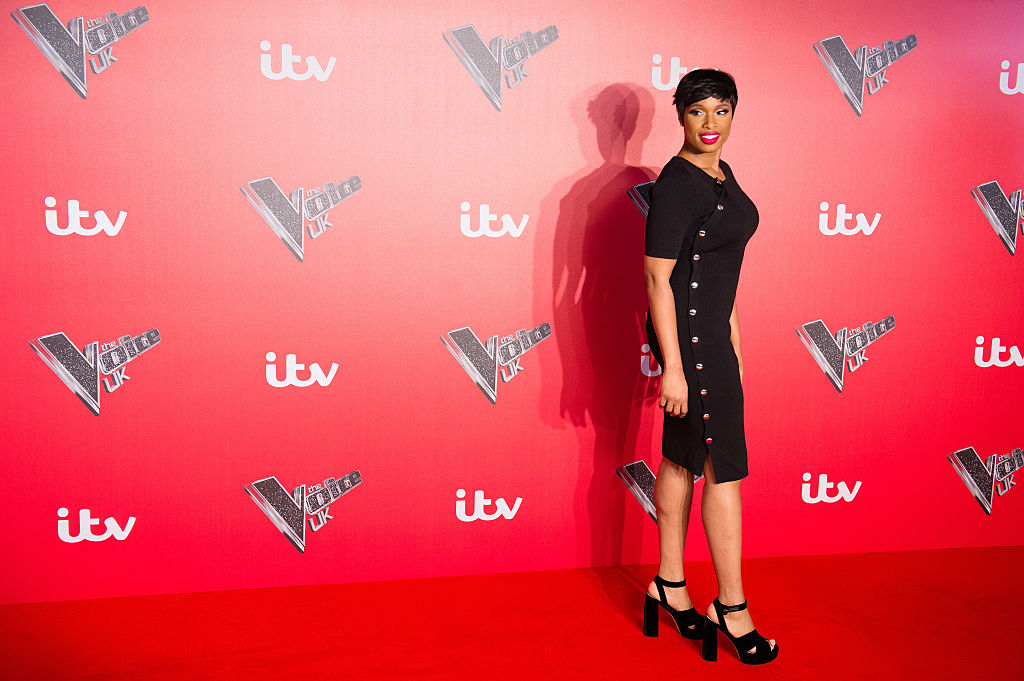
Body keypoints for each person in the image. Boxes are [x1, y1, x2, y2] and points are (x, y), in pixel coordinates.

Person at [641, 69, 778, 665]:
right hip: (688, 343)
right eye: (699, 112)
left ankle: (668, 585)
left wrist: (737, 343)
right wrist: (673, 365)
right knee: (723, 468)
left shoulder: (719, 173)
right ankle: (732, 605)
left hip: (713, 334)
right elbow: (657, 277)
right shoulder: (677, 183)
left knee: (683, 456)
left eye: (722, 111)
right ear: (680, 116)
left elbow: (719, 273)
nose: (711, 124)